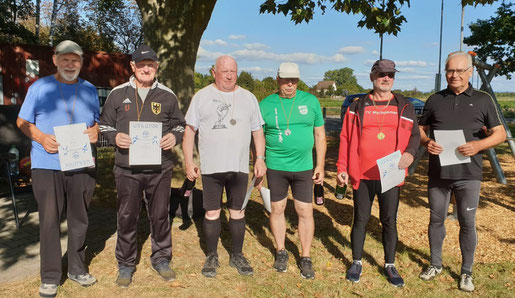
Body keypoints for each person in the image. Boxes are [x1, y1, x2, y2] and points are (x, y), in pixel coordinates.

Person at [16, 40, 99, 297]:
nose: (70, 64)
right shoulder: (39, 87)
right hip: (46, 164)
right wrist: (41, 138)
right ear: (55, 60)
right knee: (49, 220)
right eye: (65, 59)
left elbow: (96, 122)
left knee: (79, 218)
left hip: (81, 164)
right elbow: (22, 121)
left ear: (82, 62)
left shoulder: (89, 89)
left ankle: (76, 268)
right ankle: (50, 276)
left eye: (75, 60)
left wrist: (95, 132)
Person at [418, 51, 506, 292]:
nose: (453, 75)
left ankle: (466, 272)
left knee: (467, 223)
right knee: (436, 220)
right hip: (438, 174)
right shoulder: (434, 100)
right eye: (449, 70)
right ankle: (435, 264)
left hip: (469, 175)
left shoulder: (482, 99)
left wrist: (478, 145)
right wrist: (426, 142)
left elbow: (500, 133)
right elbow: (420, 130)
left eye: (458, 71)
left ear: (470, 72)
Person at [99, 44, 186, 287]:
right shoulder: (117, 93)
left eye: (150, 64)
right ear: (132, 67)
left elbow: (180, 124)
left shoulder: (168, 95)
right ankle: (126, 263)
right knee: (127, 216)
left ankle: (161, 259)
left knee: (160, 215)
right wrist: (115, 137)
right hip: (127, 169)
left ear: (157, 67)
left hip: (160, 168)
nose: (146, 68)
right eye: (141, 64)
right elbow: (104, 125)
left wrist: (175, 137)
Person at [336, 59, 420, 287]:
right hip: (361, 174)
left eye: (390, 75)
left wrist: (411, 154)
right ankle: (356, 261)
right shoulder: (357, 106)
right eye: (382, 74)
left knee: (389, 221)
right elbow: (345, 138)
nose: (386, 78)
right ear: (373, 77)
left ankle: (390, 264)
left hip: (390, 173)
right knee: (361, 219)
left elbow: (415, 136)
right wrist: (342, 168)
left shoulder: (404, 105)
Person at [182, 55, 266, 278]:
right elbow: (189, 131)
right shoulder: (202, 97)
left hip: (239, 167)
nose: (229, 75)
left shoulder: (248, 98)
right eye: (224, 71)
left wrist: (259, 158)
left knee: (237, 211)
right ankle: (212, 256)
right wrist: (189, 161)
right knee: (212, 212)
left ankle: (237, 255)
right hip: (211, 167)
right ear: (214, 72)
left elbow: (257, 131)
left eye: (233, 71)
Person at [259, 62, 326, 279]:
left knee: (305, 211)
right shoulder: (266, 104)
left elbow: (320, 136)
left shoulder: (311, 101)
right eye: (286, 80)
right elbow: (257, 137)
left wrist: (320, 165)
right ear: (277, 79)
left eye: (294, 80)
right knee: (277, 209)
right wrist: (257, 163)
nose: (290, 84)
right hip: (276, 167)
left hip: (304, 167)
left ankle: (305, 256)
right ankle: (280, 251)